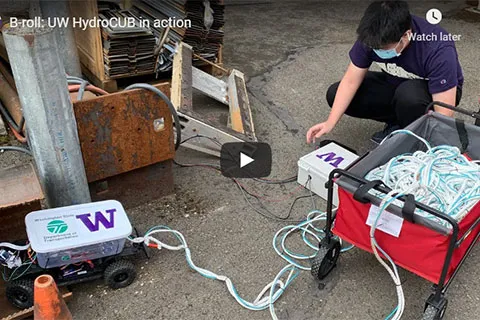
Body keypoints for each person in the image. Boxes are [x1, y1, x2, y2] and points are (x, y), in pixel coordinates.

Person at [306, 1, 463, 144]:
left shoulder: (437, 48)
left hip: (435, 94)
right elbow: (350, 81)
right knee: (335, 93)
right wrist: (330, 122)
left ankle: (415, 137)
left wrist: (437, 147)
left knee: (408, 95)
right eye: (375, 48)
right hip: (396, 82)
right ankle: (398, 124)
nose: (378, 51)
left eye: (383, 48)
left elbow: (444, 111)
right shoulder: (372, 36)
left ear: (406, 36)